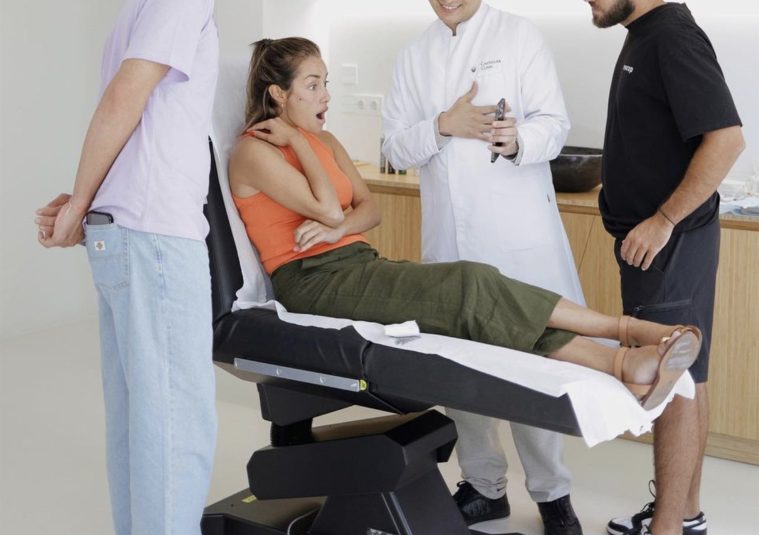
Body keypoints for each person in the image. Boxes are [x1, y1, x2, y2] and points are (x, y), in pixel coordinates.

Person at [229, 36, 701, 418]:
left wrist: (334, 224)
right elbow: (331, 209)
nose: (326, 95)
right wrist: (297, 145)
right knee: (471, 283)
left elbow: (369, 210)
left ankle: (626, 361)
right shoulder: (255, 152)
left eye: (325, 83)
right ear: (278, 94)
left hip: (354, 263)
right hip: (311, 281)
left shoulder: (324, 138)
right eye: (313, 85)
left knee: (484, 299)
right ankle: (636, 331)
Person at [34, 0, 276, 535]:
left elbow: (133, 114)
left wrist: (90, 198)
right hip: (153, 237)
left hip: (127, 228)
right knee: (176, 422)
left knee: (142, 422)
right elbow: (124, 100)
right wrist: (82, 198)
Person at [381, 0, 584, 535]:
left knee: (533, 369)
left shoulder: (520, 39)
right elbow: (391, 148)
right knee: (461, 370)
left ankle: (552, 494)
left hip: (520, 241)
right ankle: (485, 486)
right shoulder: (412, 57)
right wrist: (442, 123)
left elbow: (555, 123)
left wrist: (518, 136)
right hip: (452, 244)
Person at [569, 0, 744, 535]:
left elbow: (726, 138)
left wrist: (663, 219)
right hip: (656, 248)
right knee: (685, 378)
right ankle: (685, 515)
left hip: (669, 244)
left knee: (668, 385)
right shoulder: (644, 32)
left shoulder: (673, 38)